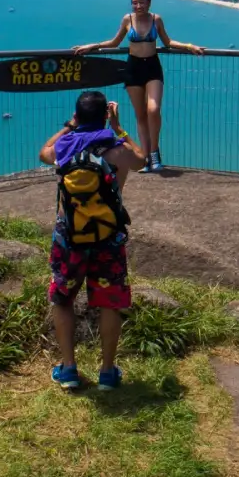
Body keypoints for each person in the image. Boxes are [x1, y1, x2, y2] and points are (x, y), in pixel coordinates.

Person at [39, 90, 147, 391]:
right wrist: (118, 127)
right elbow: (141, 159)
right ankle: (108, 372)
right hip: (108, 237)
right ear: (104, 116)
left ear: (77, 116)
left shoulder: (64, 146)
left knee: (63, 299)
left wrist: (69, 126)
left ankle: (69, 369)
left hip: (70, 237)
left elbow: (42, 151)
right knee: (109, 303)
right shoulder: (116, 147)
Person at [71, 0, 204, 173]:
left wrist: (190, 46)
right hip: (133, 68)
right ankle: (146, 158)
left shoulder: (156, 20)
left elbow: (168, 42)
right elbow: (115, 42)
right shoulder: (128, 19)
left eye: (141, 2)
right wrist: (92, 46)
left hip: (152, 67)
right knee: (140, 115)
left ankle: (155, 152)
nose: (138, 6)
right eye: (135, 3)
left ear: (149, 3)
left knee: (153, 109)